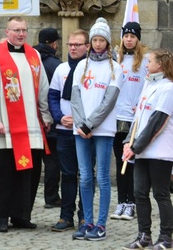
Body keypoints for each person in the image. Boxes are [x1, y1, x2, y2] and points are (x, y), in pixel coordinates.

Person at [0, 16, 52, 232]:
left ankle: (21, 215)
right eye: (16, 30)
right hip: (4, 126)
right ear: (6, 32)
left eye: (24, 30)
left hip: (30, 125)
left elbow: (43, 87)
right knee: (1, 173)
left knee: (27, 174)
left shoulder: (35, 55)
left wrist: (46, 115)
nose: (21, 34)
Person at [70, 17, 122, 241]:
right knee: (84, 177)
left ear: (108, 43)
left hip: (102, 129)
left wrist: (90, 123)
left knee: (102, 176)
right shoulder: (82, 65)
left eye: (102, 40)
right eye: (95, 40)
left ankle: (101, 224)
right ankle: (87, 221)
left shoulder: (115, 68)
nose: (98, 44)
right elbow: (75, 96)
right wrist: (81, 123)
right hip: (80, 130)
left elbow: (109, 100)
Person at [122, 48, 173, 250]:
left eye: (149, 60)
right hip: (142, 150)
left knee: (160, 194)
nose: (146, 63)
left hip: (160, 151)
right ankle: (144, 235)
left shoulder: (168, 88)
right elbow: (138, 120)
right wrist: (128, 142)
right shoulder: (148, 84)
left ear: (159, 64)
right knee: (139, 193)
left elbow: (157, 122)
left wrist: (135, 146)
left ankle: (166, 237)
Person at [48, 29, 89, 232]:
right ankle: (66, 216)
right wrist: (59, 117)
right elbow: (53, 96)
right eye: (70, 44)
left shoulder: (92, 69)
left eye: (77, 45)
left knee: (86, 174)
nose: (73, 48)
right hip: (64, 130)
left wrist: (82, 120)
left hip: (84, 130)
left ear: (87, 47)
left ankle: (85, 216)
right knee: (68, 174)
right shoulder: (61, 69)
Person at [112, 21, 147, 221]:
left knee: (131, 160)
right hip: (117, 118)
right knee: (119, 160)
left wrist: (141, 105)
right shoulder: (117, 60)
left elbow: (148, 87)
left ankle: (131, 202)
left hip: (134, 118)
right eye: (126, 36)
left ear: (138, 39)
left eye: (133, 36)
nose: (129, 39)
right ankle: (121, 201)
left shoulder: (144, 61)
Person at [34, 27, 63, 209]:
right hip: (49, 118)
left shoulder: (30, 60)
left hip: (29, 117)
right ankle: (51, 197)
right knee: (53, 160)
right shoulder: (56, 65)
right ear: (53, 44)